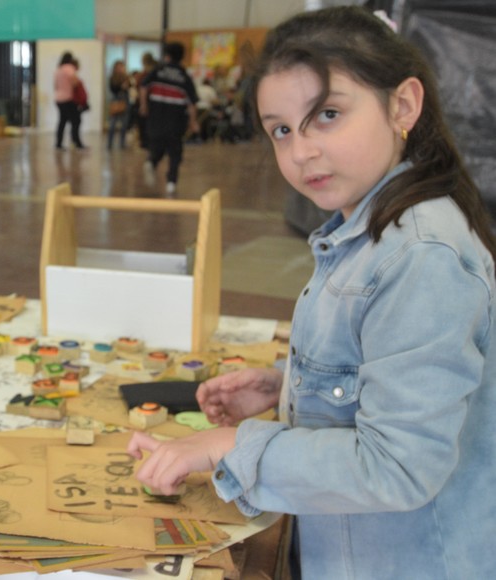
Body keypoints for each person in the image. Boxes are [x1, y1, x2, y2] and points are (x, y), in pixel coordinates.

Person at [128, 7, 496, 579]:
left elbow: (397, 467)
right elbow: (392, 365)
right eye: (281, 129)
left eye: (327, 115)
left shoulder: (421, 254)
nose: (300, 152)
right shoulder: (371, 228)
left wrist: (230, 445)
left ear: (403, 105)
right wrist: (292, 387)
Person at [139, 42, 198, 195]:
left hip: (155, 119)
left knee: (157, 148)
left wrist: (144, 105)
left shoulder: (158, 71)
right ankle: (171, 182)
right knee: (175, 153)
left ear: (167, 56)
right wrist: (193, 122)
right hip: (175, 122)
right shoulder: (184, 77)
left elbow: (143, 87)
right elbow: (192, 103)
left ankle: (151, 162)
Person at [54, 52, 85, 150]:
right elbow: (75, 82)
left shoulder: (58, 70)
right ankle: (77, 143)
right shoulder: (69, 68)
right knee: (76, 121)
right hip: (68, 99)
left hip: (58, 99)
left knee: (62, 121)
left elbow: (55, 86)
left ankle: (58, 143)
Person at [133, 52, 157, 149]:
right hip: (153, 101)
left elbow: (140, 87)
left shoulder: (145, 74)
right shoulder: (155, 72)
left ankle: (145, 142)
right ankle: (148, 142)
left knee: (144, 123)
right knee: (149, 123)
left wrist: (142, 105)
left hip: (146, 101)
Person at [107, 60, 130, 150]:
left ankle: (122, 143)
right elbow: (113, 89)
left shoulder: (127, 78)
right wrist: (121, 86)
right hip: (116, 101)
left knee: (124, 124)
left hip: (125, 101)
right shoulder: (112, 78)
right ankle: (109, 143)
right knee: (112, 124)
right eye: (119, 67)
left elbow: (130, 88)